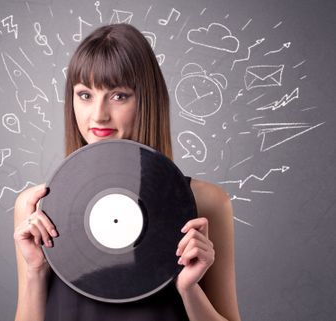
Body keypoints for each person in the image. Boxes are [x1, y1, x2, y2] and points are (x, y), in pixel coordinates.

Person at [13, 23, 241, 321]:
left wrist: (189, 288)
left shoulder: (207, 202)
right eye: (85, 95)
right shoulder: (35, 207)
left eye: (118, 95)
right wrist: (36, 272)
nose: (98, 114)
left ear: (147, 100)